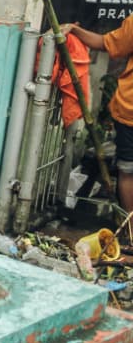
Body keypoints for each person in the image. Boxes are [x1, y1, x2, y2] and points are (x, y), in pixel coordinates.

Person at [62, 15, 133, 212]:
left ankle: (131, 232)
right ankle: (131, 231)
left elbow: (105, 43)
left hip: (129, 110)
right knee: (128, 171)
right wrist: (75, 31)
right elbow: (107, 43)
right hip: (129, 112)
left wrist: (74, 30)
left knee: (128, 172)